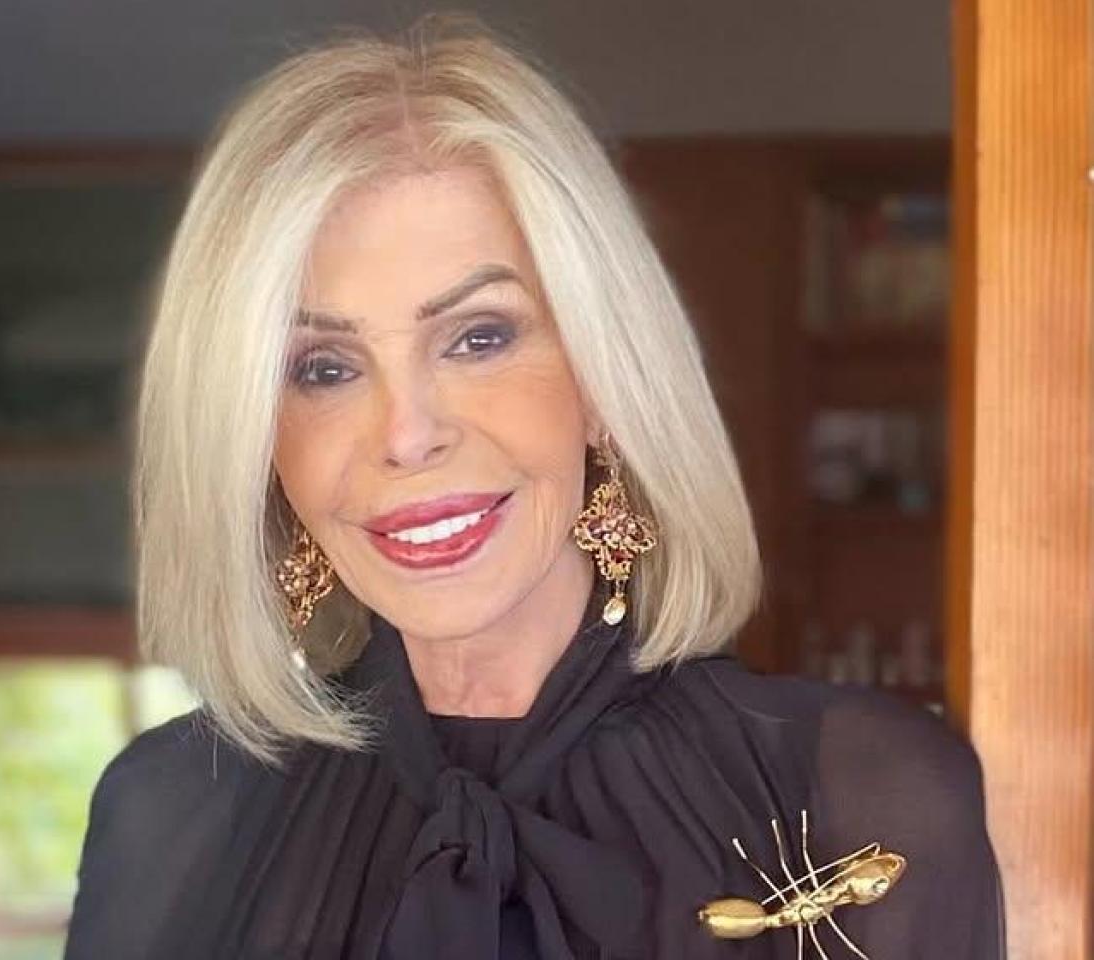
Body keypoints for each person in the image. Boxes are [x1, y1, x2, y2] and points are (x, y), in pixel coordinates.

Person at [66, 14, 1005, 959]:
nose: (407, 435)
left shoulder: (866, 802)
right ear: (255, 438)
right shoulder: (167, 818)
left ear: (602, 378)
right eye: (323, 368)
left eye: (478, 338)